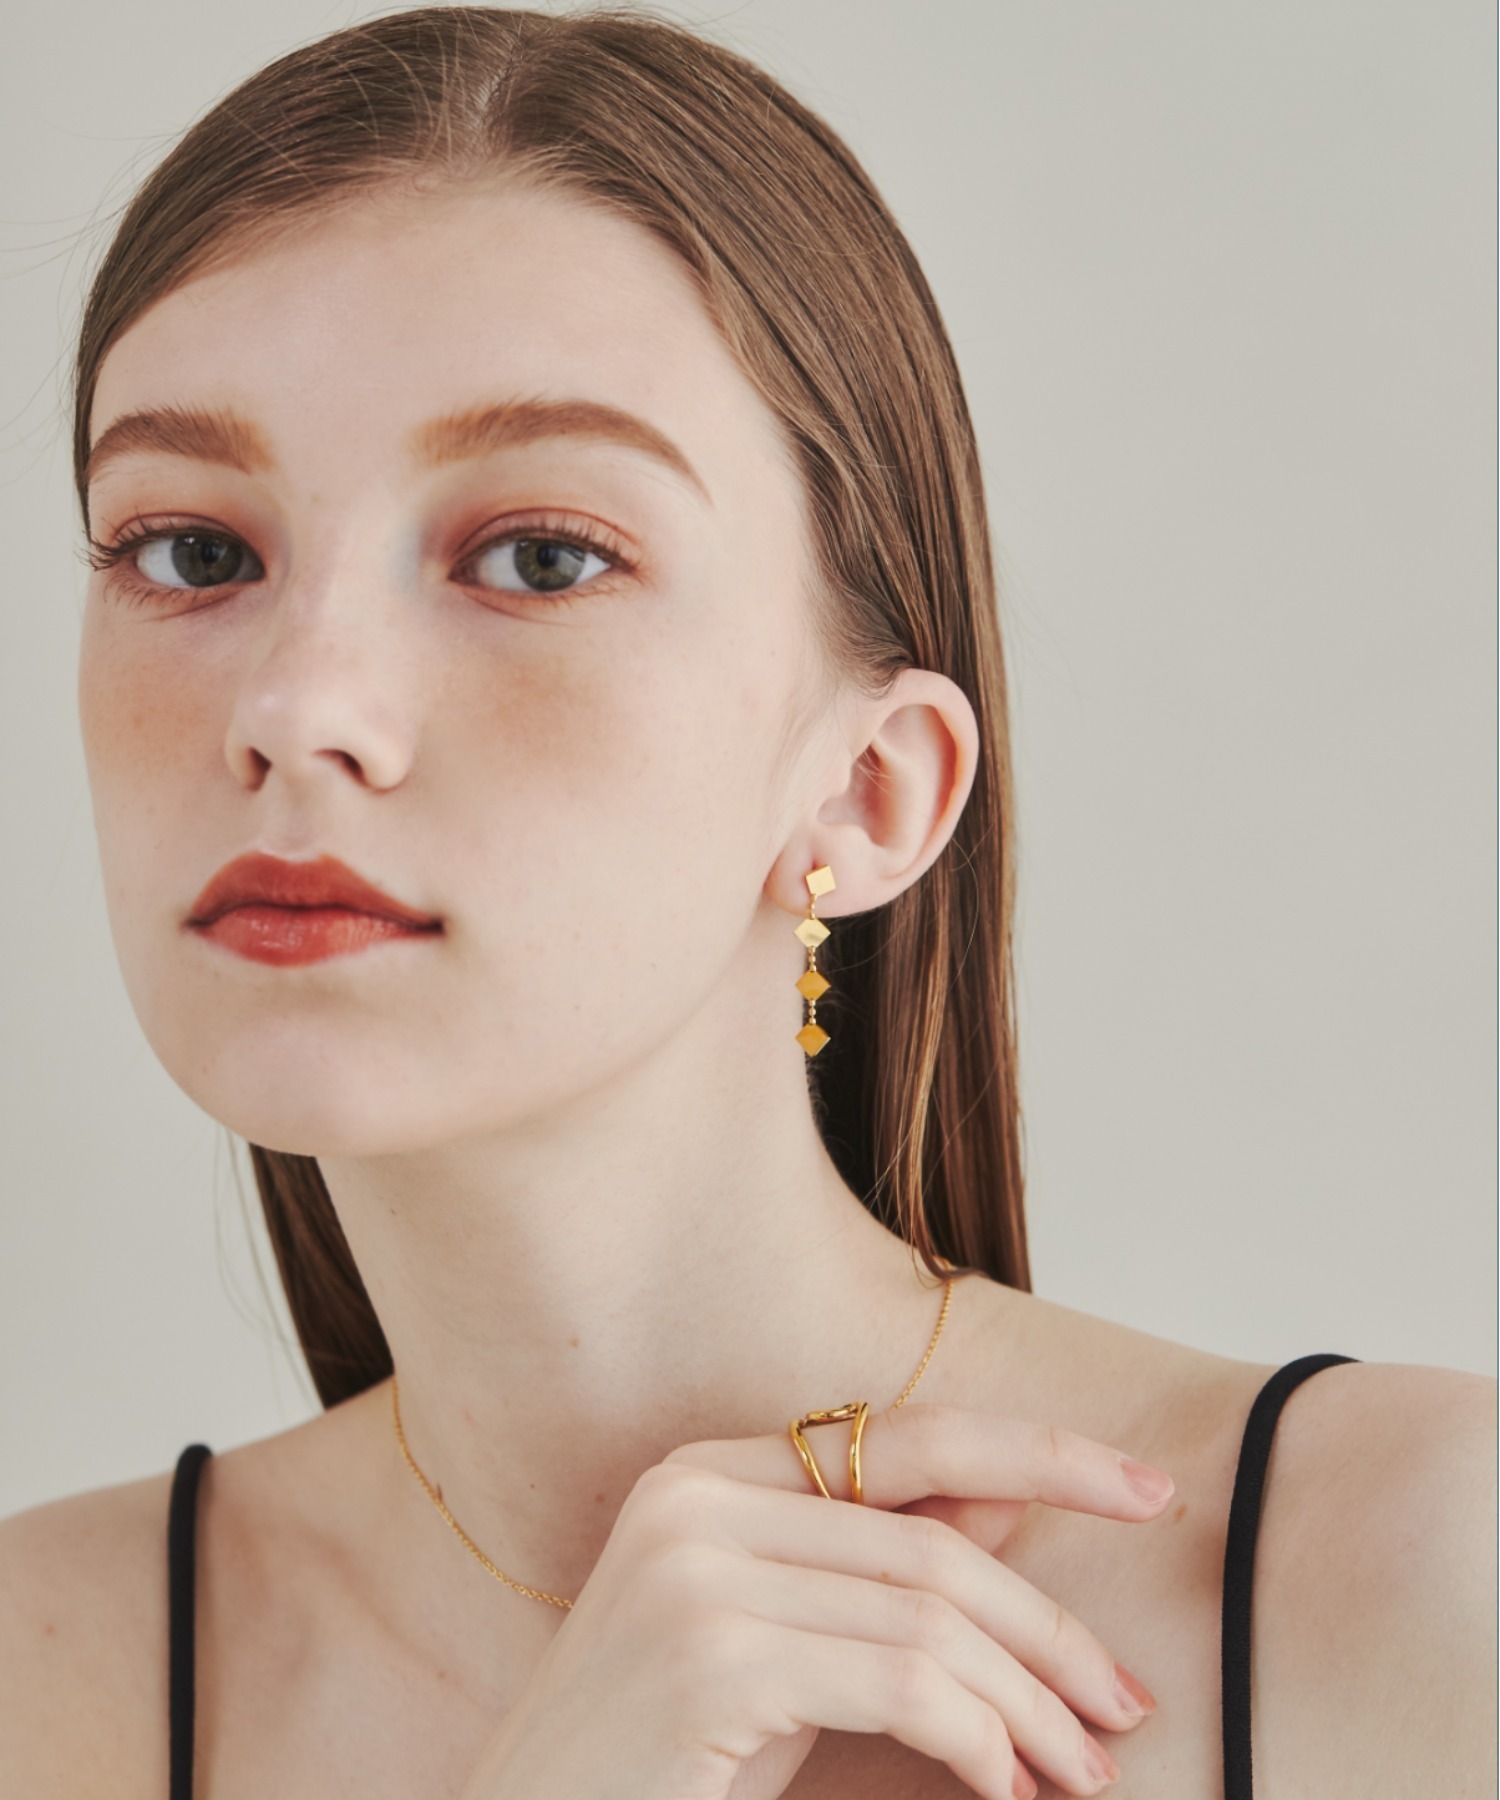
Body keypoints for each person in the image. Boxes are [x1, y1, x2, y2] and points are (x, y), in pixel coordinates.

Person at [0, 8, 1491, 1798]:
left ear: (871, 791)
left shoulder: (1424, 1585)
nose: (296, 706)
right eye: (192, 551)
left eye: (541, 555)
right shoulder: (40, 1681)